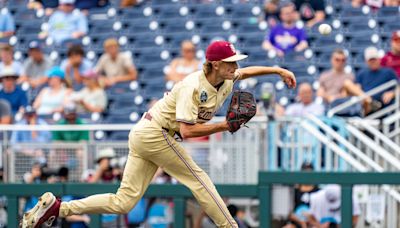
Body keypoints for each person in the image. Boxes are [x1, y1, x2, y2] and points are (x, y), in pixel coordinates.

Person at [21, 40, 296, 228]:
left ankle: (57, 208)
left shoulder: (225, 77)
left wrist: (276, 70)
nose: (234, 66)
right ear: (213, 64)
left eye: (235, 62)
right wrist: (225, 125)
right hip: (156, 133)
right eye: (229, 62)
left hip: (146, 132)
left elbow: (245, 73)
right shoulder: (193, 87)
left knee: (123, 202)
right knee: (198, 177)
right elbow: (188, 131)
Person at [283, 163, 319, 228]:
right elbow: (289, 213)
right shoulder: (294, 191)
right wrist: (300, 221)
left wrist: (310, 219)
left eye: (310, 173)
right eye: (305, 173)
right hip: (296, 222)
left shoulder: (318, 191)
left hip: (313, 223)